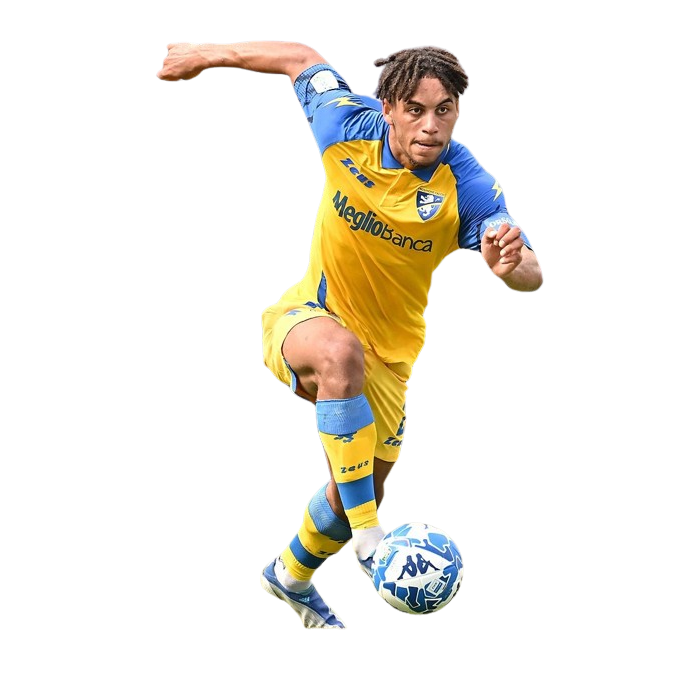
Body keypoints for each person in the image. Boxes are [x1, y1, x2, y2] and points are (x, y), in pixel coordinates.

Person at [157, 41, 543, 630]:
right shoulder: (345, 124)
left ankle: (289, 575)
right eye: (415, 109)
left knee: (356, 489)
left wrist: (510, 264)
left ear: (458, 112)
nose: (430, 125)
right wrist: (210, 54)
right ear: (388, 107)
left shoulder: (467, 184)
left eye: (444, 110)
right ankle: (369, 542)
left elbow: (531, 275)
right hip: (310, 315)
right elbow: (298, 57)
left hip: (390, 358)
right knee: (340, 357)